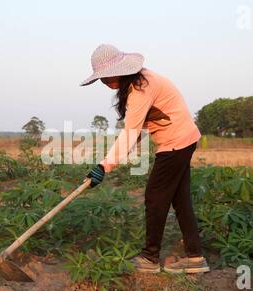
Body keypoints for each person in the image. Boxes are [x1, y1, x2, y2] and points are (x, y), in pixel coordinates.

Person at [80, 44, 210, 274]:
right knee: (180, 200)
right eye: (101, 79)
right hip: (182, 140)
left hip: (176, 143)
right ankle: (195, 257)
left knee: (154, 197)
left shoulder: (141, 89)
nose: (104, 82)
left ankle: (150, 257)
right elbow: (137, 131)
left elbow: (130, 133)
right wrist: (114, 157)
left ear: (120, 70)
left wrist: (104, 165)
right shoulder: (139, 83)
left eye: (106, 77)